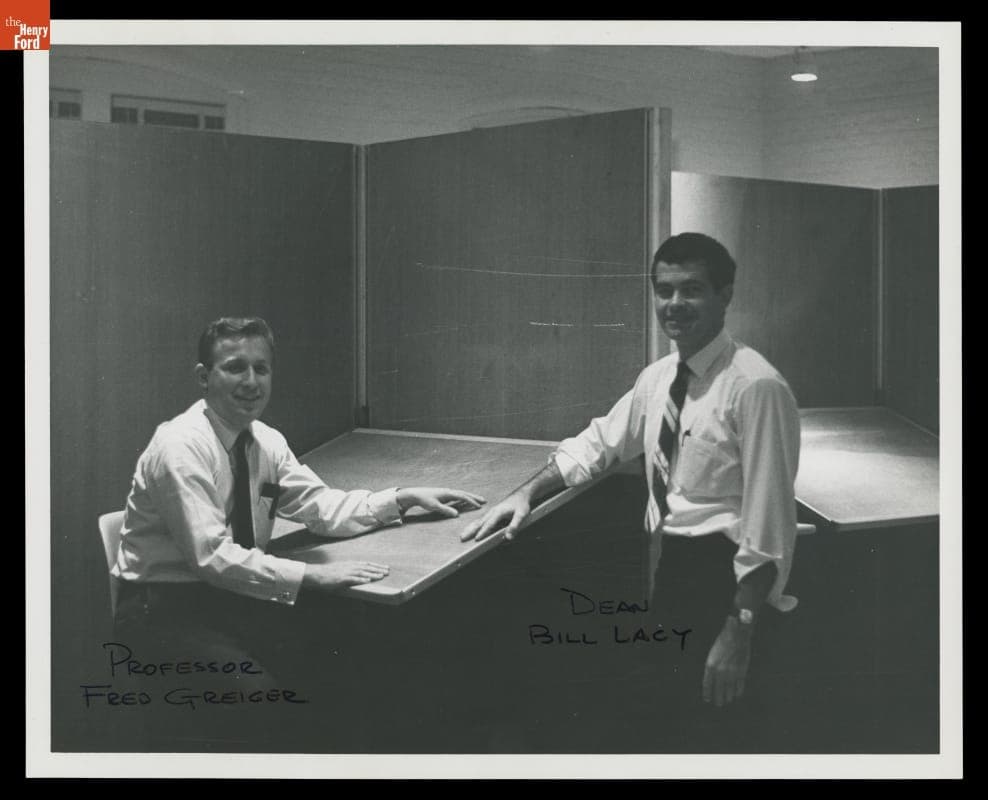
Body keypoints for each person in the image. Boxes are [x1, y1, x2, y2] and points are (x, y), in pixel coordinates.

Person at [461, 233, 800, 747]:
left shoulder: (756, 387)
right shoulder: (660, 377)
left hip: (728, 579)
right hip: (674, 567)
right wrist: (524, 494)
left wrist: (739, 627)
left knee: (720, 726)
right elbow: (596, 445)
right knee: (670, 717)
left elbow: (769, 526)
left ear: (725, 295)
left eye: (692, 290)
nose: (675, 305)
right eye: (664, 290)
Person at [111, 316, 485, 750]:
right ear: (203, 376)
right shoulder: (180, 446)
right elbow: (211, 557)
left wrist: (401, 499)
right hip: (162, 612)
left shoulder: (264, 441)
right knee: (266, 700)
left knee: (349, 662)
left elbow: (321, 507)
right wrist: (311, 576)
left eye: (261, 368)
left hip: (229, 597)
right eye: (235, 367)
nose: (251, 381)